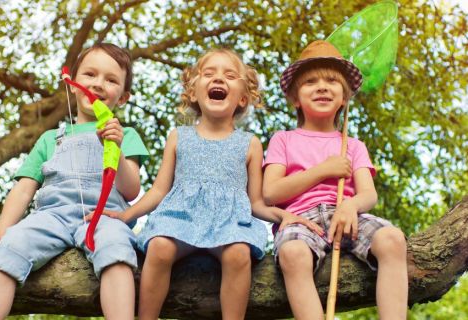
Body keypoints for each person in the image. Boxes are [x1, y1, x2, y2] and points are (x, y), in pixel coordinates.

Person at [100, 48, 320, 320]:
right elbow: (159, 190)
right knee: (159, 247)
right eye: (209, 74)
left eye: (229, 75)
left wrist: (284, 215)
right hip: (179, 217)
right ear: (193, 93)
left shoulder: (249, 143)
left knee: (238, 253)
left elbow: (256, 203)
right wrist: (126, 215)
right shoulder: (178, 136)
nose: (219, 79)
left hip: (228, 222)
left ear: (242, 97)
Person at [0, 42, 149, 320]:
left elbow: (131, 190)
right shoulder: (49, 138)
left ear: (123, 98)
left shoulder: (125, 135)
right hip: (50, 217)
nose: (99, 84)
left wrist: (116, 148)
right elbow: (23, 189)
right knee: (10, 249)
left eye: (111, 80)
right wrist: (2, 230)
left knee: (116, 249)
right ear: (73, 84)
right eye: (90, 75)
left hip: (102, 217)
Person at [263, 40, 408, 320]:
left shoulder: (352, 145)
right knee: (293, 254)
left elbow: (369, 194)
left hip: (347, 216)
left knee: (392, 239)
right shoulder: (283, 139)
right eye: (310, 82)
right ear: (295, 98)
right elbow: (270, 193)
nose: (322, 86)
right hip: (301, 219)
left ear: (344, 98)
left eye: (332, 80)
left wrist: (350, 206)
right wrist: (322, 170)